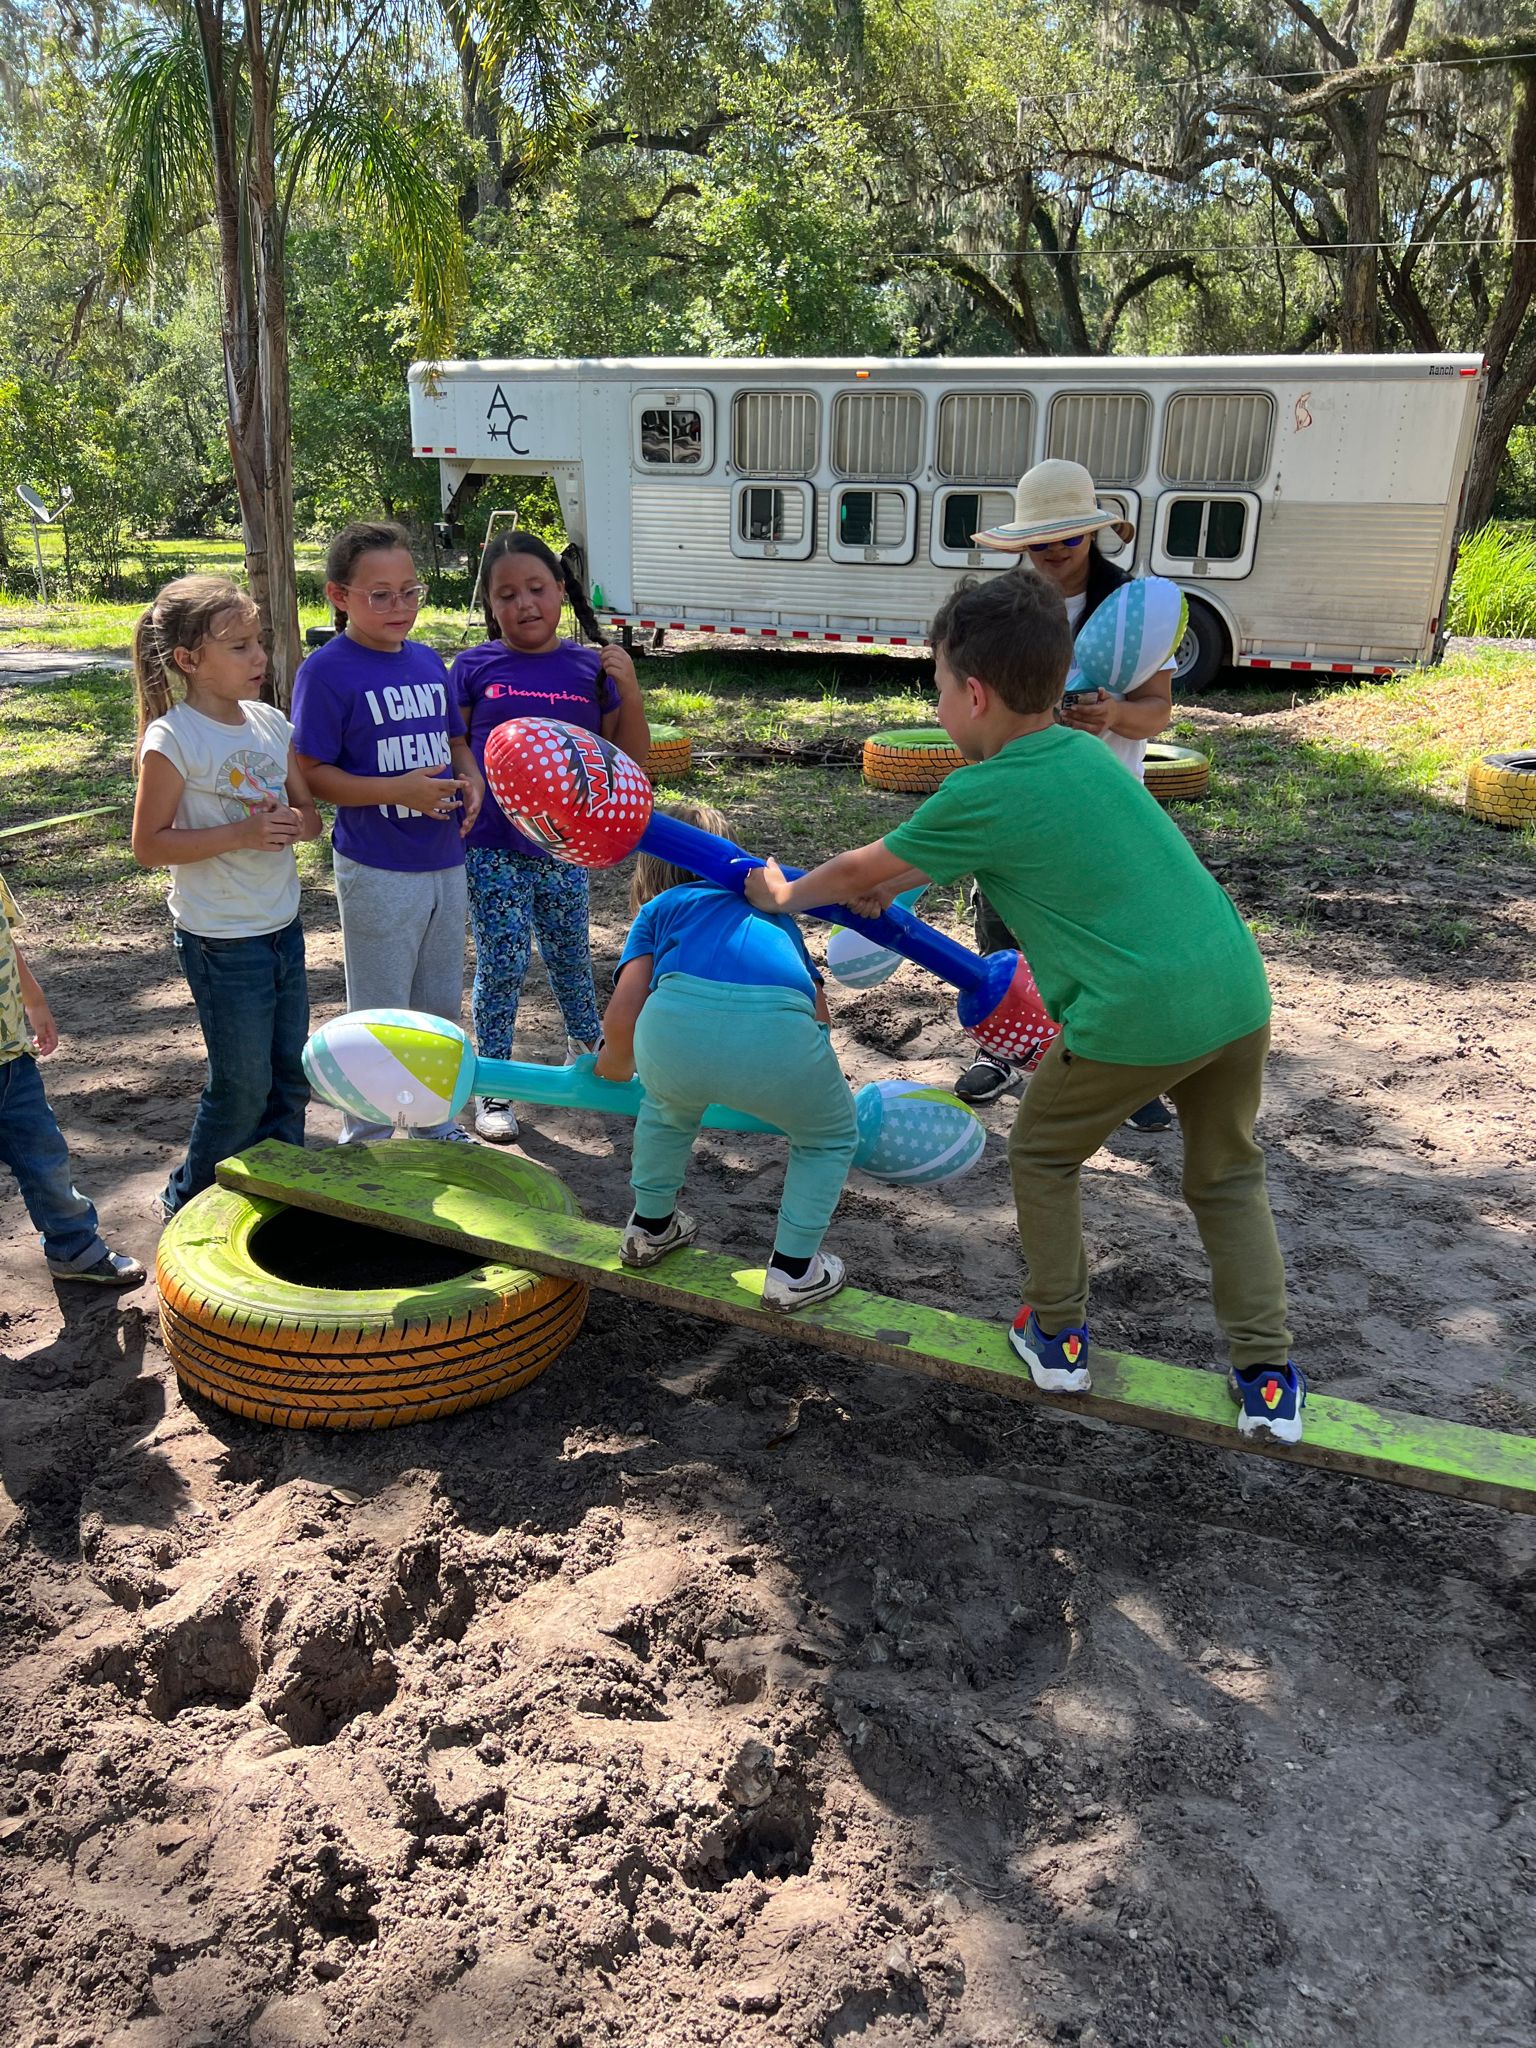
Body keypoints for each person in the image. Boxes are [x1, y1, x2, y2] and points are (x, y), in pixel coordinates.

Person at [745, 572, 1305, 1444]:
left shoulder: (983, 791)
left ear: (974, 694)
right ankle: (1268, 1377)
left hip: (1135, 1017)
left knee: (1042, 1153)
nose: (937, 708)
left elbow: (857, 870)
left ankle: (1056, 1332)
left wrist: (782, 894)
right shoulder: (1083, 754)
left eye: (937, 690)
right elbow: (923, 865)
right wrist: (885, 884)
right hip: (1234, 993)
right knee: (1228, 1176)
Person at [957, 458, 1175, 1130]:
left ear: (1095, 534)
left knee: (1107, 940)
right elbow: (971, 703)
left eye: (1069, 537)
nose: (1054, 551)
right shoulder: (1003, 611)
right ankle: (1002, 1050)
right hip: (1018, 798)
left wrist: (1114, 713)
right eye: (1040, 540)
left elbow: (1158, 711)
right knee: (1003, 926)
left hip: (1102, 806)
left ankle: (1122, 1072)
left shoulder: (1131, 608)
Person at [594, 802, 858, 1313]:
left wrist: (615, 1067)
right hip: (779, 1040)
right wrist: (799, 1086)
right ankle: (793, 1270)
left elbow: (622, 1018)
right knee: (828, 1135)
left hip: (673, 1034)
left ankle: (649, 1227)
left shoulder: (660, 909)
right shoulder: (776, 914)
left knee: (665, 1109)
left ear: (649, 872)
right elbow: (818, 1013)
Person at [131, 574, 322, 1217]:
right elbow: (149, 845)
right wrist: (240, 833)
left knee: (289, 1075)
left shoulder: (270, 723)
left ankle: (280, 1195)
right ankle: (187, 1201)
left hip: (282, 927)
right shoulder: (174, 739)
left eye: (259, 641)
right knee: (242, 1086)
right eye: (239, 647)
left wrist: (294, 823)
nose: (259, 656)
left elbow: (310, 816)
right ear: (188, 660)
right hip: (220, 940)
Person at [449, 533, 649, 1144]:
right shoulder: (472, 667)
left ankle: (589, 1057)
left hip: (565, 847)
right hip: (490, 844)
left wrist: (630, 689)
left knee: (568, 953)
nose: (524, 604)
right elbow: (456, 747)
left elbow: (629, 764)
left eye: (536, 588)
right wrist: (465, 783)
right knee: (504, 957)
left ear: (561, 591)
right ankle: (493, 1083)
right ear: (490, 604)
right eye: (506, 594)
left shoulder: (592, 670)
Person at [292, 521, 485, 1143]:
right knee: (378, 1014)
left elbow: (456, 740)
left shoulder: (428, 660)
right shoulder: (326, 671)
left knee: (438, 1006)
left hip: (444, 859)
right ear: (339, 596)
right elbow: (311, 773)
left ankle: (433, 1122)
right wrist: (395, 790)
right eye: (380, 594)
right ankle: (368, 1135)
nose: (399, 606)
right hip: (377, 866)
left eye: (410, 591)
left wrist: (472, 776)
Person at [0, 876, 146, 1287]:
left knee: (46, 1159)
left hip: (12, 1060)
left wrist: (34, 1000)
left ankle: (74, 1249)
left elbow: (6, 941)